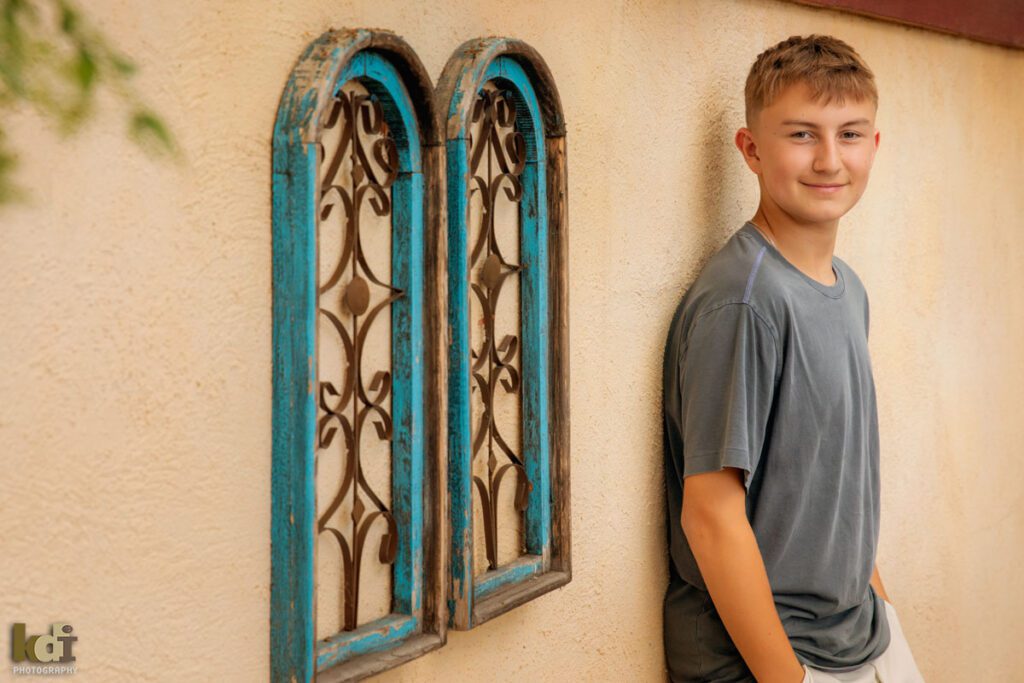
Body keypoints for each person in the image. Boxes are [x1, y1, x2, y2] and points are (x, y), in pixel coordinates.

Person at [661, 35, 926, 682]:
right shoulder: (744, 301)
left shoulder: (847, 286)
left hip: (861, 636)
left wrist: (885, 624)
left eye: (851, 134)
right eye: (802, 135)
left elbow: (833, 481)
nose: (830, 159)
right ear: (751, 150)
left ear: (875, 146)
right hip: (770, 659)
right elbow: (711, 512)